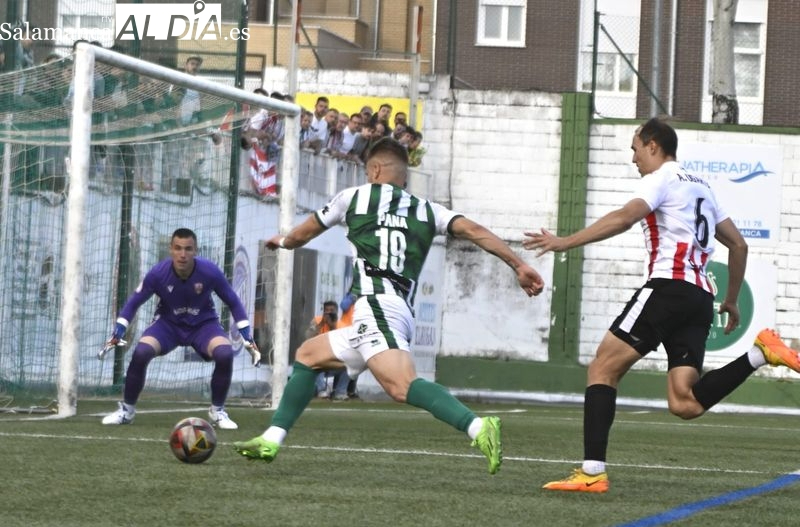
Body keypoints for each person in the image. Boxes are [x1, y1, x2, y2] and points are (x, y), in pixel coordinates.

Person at [234, 138, 545, 474]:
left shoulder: (352, 197)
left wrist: (279, 240)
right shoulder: (429, 210)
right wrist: (517, 265)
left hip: (376, 307)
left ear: (375, 170)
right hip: (394, 309)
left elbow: (299, 237)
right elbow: (474, 230)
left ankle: (478, 427)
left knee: (401, 386)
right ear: (404, 178)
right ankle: (272, 438)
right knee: (308, 356)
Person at [522, 117, 800, 493]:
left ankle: (592, 472)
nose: (633, 157)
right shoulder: (701, 185)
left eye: (635, 148)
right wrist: (731, 299)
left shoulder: (660, 179)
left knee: (603, 367)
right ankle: (761, 354)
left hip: (667, 290)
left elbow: (625, 218)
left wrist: (564, 242)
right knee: (685, 402)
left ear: (653, 145)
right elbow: (739, 244)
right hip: (701, 297)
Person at [101, 228, 261, 429]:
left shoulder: (210, 272)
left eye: (188, 249)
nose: (182, 254)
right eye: (177, 248)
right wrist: (119, 330)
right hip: (168, 324)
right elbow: (134, 302)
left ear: (196, 250)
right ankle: (127, 410)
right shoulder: (158, 274)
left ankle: (217, 410)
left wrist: (246, 334)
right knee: (141, 352)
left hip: (203, 324)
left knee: (225, 353)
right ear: (171, 250)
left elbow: (233, 302)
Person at [307, 300, 350, 400]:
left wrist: (333, 326)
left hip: (334, 361)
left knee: (350, 364)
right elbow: (307, 337)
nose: (329, 313)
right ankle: (322, 390)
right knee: (315, 362)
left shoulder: (343, 326)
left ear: (336, 311)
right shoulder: (317, 321)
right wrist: (322, 324)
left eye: (332, 310)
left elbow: (341, 346)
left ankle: (340, 392)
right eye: (327, 310)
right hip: (319, 361)